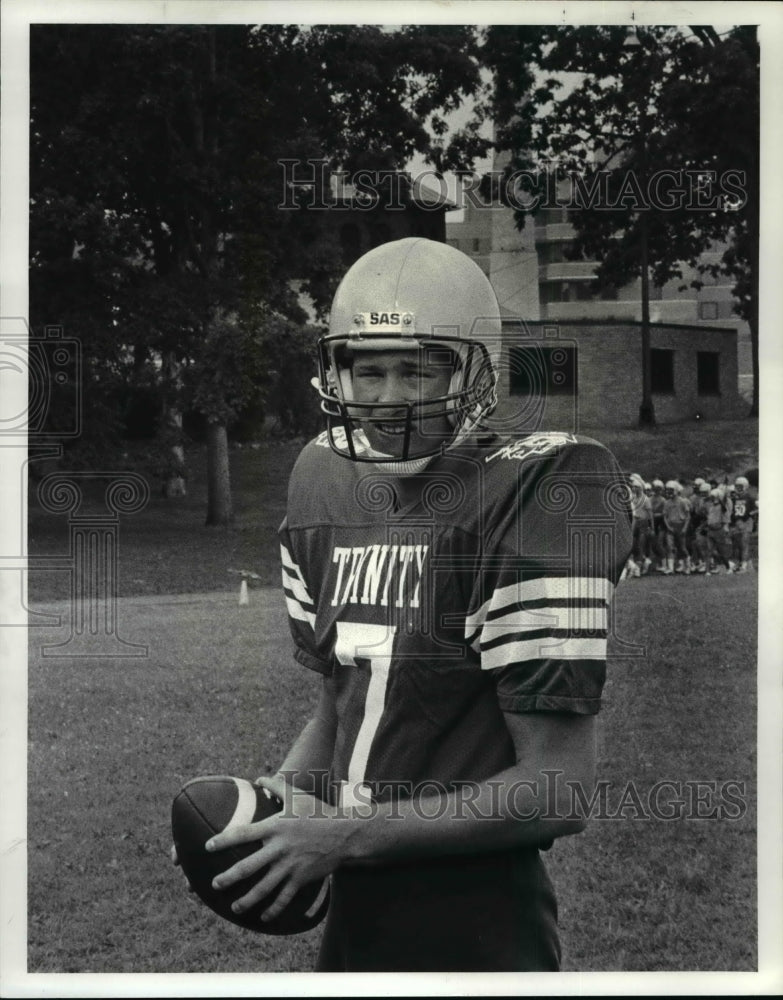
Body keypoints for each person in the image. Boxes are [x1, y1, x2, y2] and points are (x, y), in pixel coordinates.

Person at [197, 238, 632, 972]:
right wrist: (286, 799)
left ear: (479, 371)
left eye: (418, 368)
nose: (388, 397)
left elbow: (556, 786)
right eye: (367, 370)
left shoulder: (541, 486)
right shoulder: (320, 478)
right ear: (336, 370)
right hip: (356, 909)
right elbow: (340, 711)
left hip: (477, 919)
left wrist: (347, 835)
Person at [728, 476, 757, 572]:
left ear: (745, 486)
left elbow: (757, 509)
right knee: (736, 544)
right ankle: (742, 564)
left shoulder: (750, 497)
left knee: (744, 543)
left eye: (740, 486)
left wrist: (747, 516)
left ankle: (744, 566)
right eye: (737, 486)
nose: (738, 488)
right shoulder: (734, 497)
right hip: (737, 522)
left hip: (747, 522)